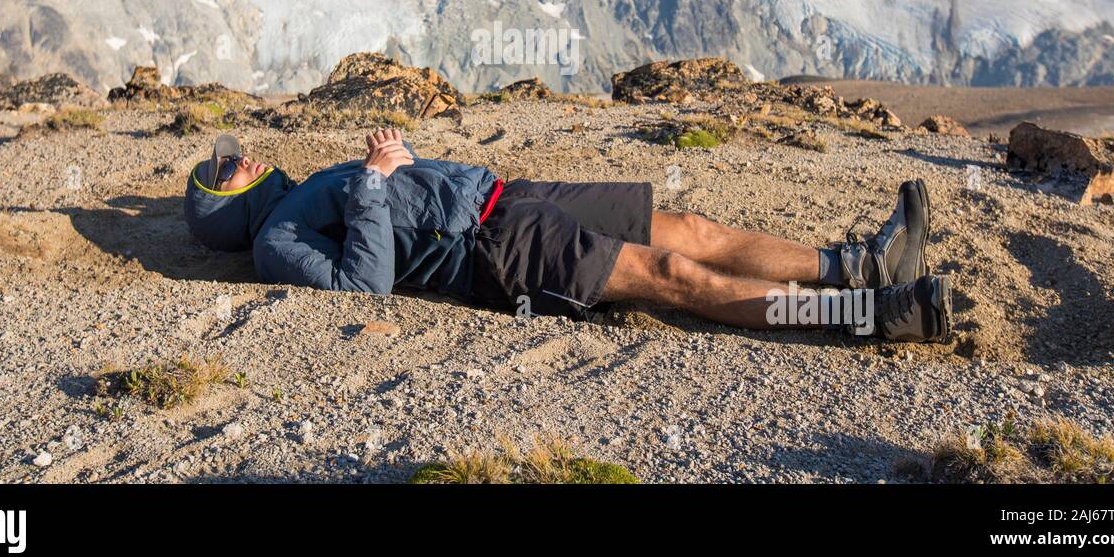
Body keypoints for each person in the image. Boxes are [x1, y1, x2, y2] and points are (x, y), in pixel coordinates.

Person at [183, 129, 952, 342]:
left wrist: (404, 172)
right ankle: (870, 316)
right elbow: (365, 284)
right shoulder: (274, 242)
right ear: (223, 208)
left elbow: (379, 212)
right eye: (222, 170)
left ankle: (857, 264)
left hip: (507, 200)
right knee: (674, 276)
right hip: (495, 256)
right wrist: (375, 181)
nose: (236, 157)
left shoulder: (294, 194)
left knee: (691, 226)